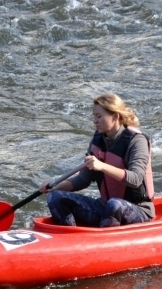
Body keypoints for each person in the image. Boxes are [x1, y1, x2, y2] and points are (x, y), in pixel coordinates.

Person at [40, 92, 155, 227]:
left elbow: (136, 179)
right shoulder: (98, 140)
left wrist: (102, 166)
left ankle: (104, 241)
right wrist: (53, 187)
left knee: (115, 204)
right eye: (94, 116)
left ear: (115, 116)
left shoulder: (136, 141)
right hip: (105, 206)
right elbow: (82, 180)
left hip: (137, 210)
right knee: (56, 197)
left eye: (99, 116)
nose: (95, 121)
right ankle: (73, 238)